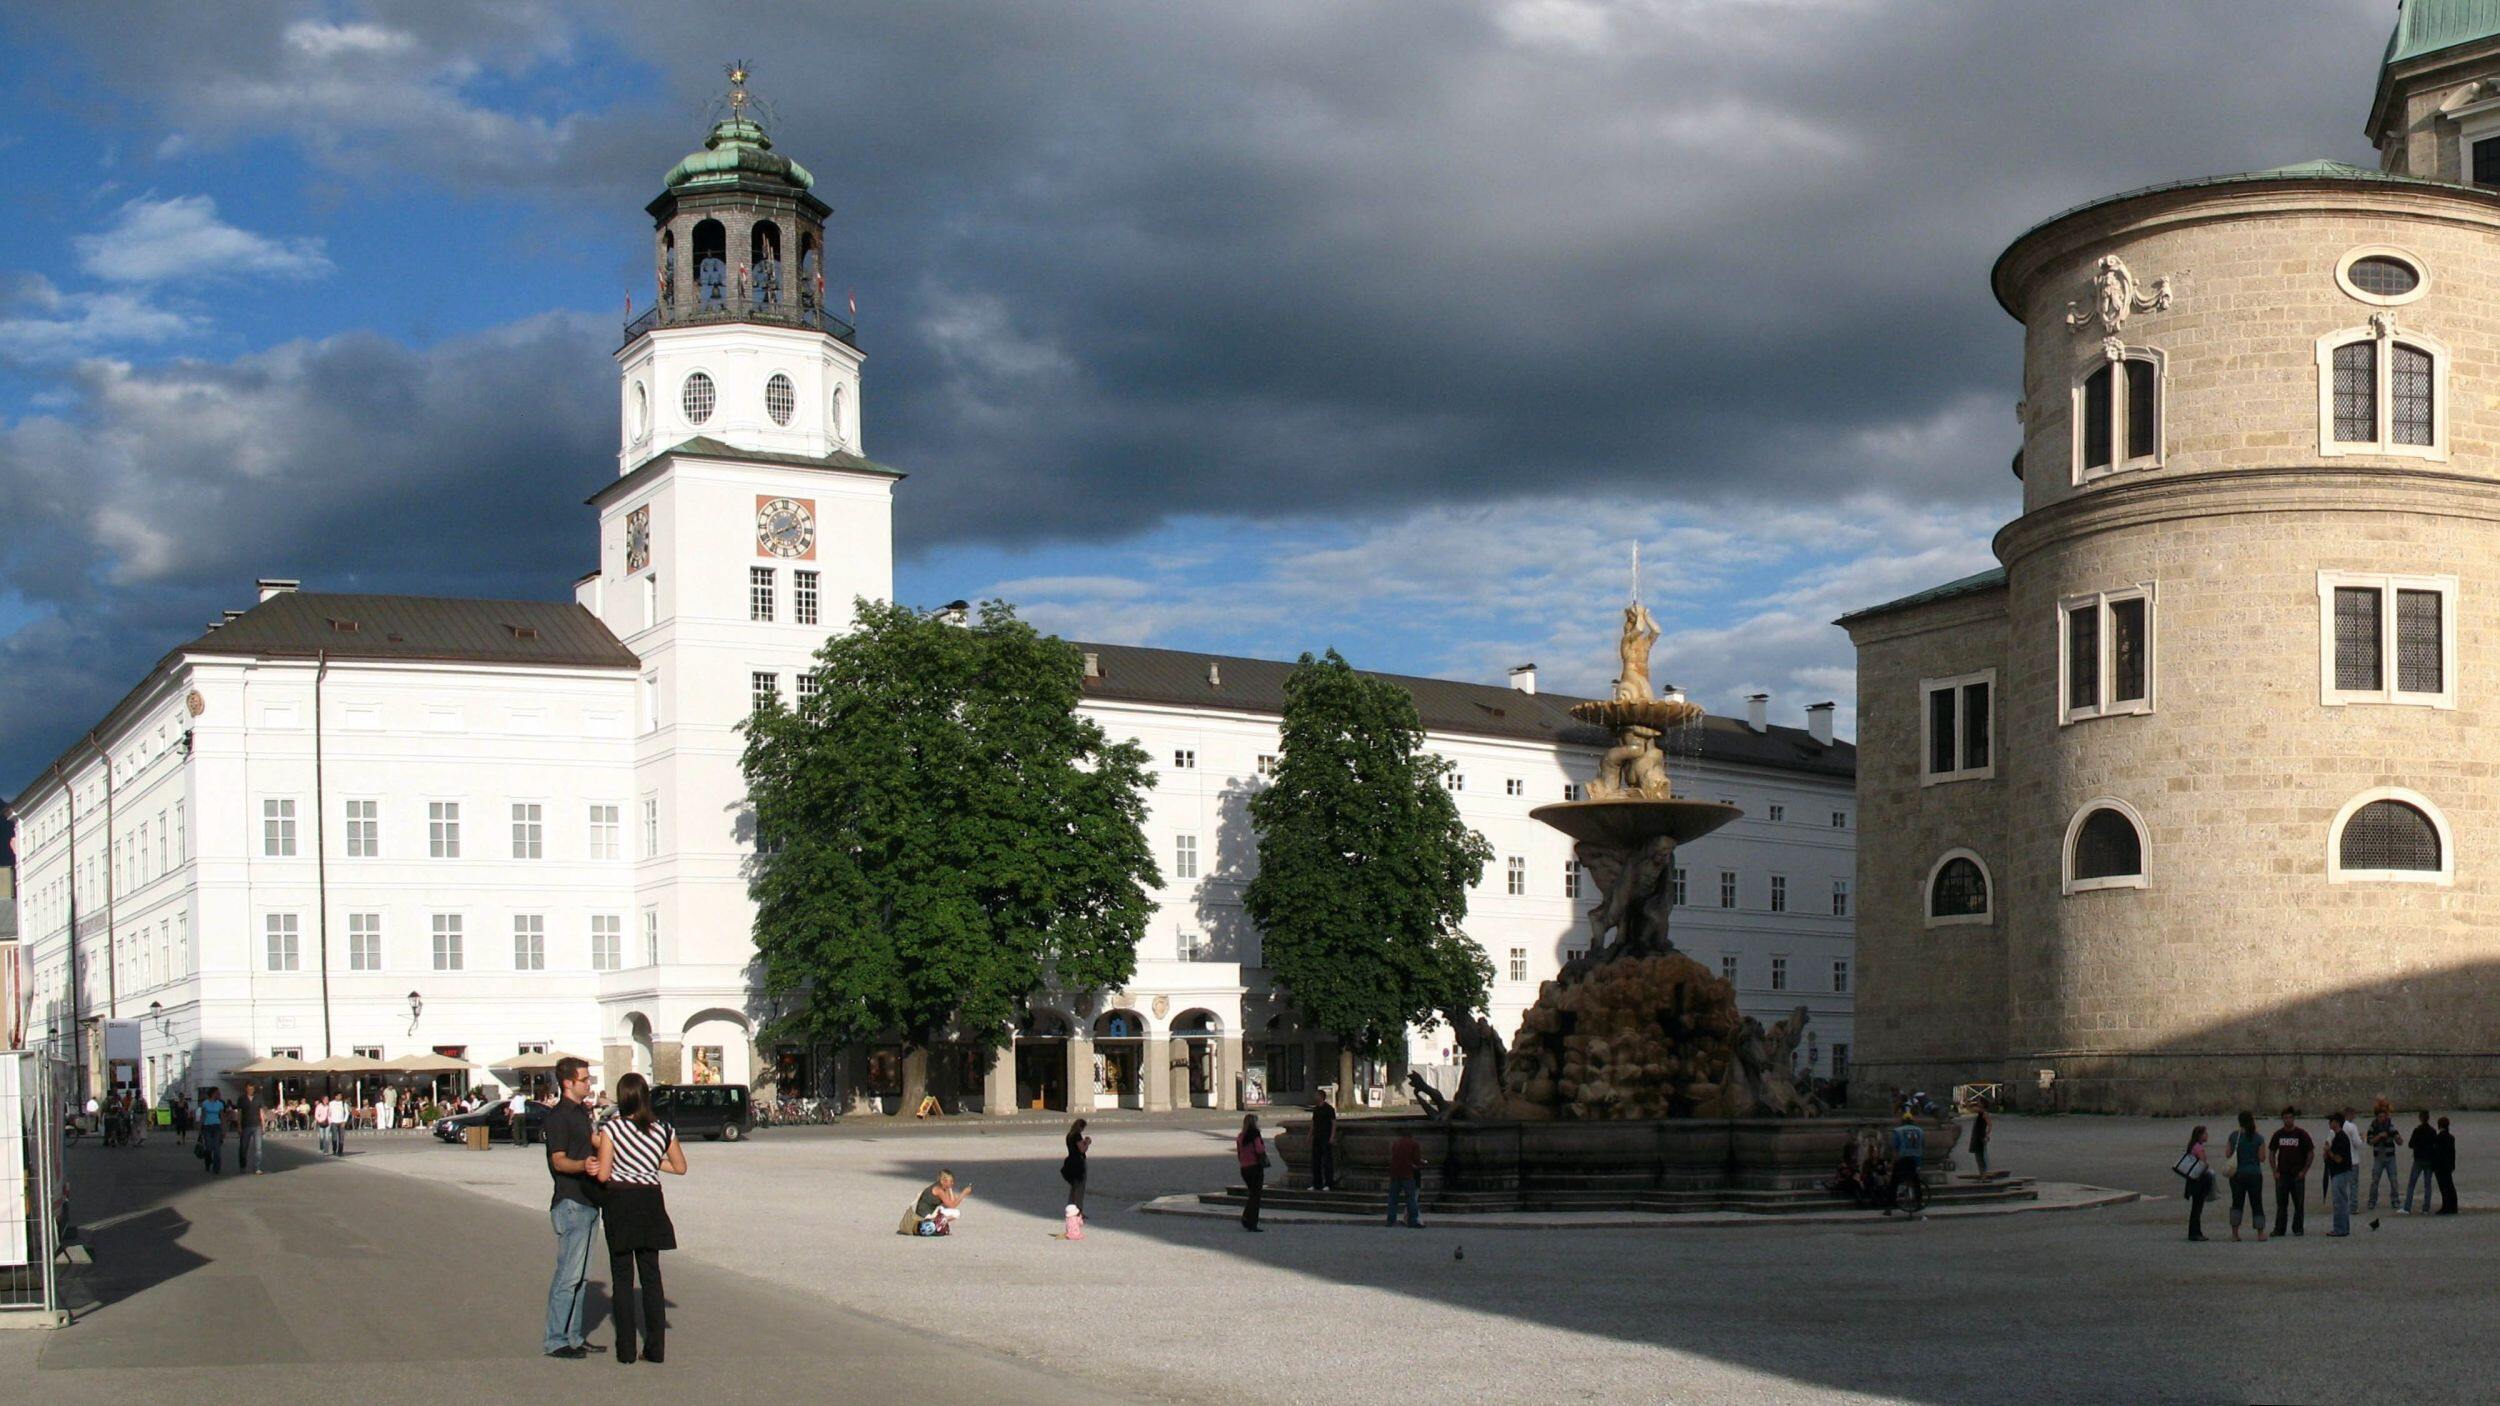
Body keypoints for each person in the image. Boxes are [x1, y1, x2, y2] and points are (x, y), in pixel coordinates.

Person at [592, 1073, 684, 1365]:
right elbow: (680, 1167)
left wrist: (599, 1167)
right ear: (645, 1096)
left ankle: (626, 1350)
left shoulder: (613, 1129)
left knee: (622, 1276)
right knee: (651, 1275)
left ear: (623, 1097)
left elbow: (605, 1174)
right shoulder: (663, 1129)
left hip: (620, 1201)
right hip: (650, 1200)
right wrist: (649, 1161)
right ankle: (656, 1349)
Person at [541, 1056, 606, 1359]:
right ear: (567, 1082)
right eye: (584, 1079)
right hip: (571, 1202)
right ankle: (556, 1340)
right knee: (568, 1275)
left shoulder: (582, 1113)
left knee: (581, 1277)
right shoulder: (559, 1117)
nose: (589, 1082)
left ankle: (574, 1336)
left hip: (590, 1201)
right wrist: (583, 1164)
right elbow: (558, 1160)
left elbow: (594, 1142)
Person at [2266, 1107, 2313, 1237]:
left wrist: (2304, 1171)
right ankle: (2279, 1229)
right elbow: (2271, 1152)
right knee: (2281, 1205)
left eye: (2290, 1117)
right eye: (2285, 1117)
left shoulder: (2301, 1134)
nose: (2288, 1120)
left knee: (2299, 1204)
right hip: (2282, 1175)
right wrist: (2274, 1170)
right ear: (2282, 1119)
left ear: (2293, 1118)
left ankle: (2298, 1228)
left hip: (2297, 1175)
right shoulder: (2278, 1135)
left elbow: (2310, 1153)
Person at [2224, 1111, 2267, 1242]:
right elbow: (2262, 1158)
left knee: (2237, 1203)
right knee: (2257, 1203)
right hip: (2254, 1174)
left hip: (2237, 1175)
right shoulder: (2259, 1138)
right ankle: (2260, 1233)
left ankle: (2235, 1233)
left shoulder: (2233, 1136)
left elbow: (2227, 1153)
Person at [2322, 1109, 2357, 1236]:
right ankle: (2344, 1228)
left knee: (2339, 1202)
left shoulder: (2341, 1137)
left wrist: (2329, 1151)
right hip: (2338, 1172)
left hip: (2340, 1172)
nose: (2329, 1123)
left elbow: (2339, 1159)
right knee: (2342, 1200)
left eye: (2331, 1121)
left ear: (2337, 1123)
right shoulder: (2337, 1137)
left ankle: (2339, 1229)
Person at [1884, 1109, 1925, 1216]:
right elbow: (1922, 1147)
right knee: (1915, 1182)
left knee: (1894, 1183)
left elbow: (1895, 1149)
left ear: (1902, 1121)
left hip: (1902, 1160)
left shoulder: (1898, 1131)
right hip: (1914, 1160)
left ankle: (1889, 1206)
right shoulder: (1920, 1131)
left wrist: (1892, 1163)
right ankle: (1919, 1201)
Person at [904, 1170, 971, 1235]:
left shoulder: (940, 1187)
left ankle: (936, 1224)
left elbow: (951, 1202)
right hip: (926, 1216)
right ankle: (936, 1224)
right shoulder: (938, 1190)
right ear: (942, 1181)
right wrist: (963, 1193)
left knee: (946, 1209)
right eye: (950, 1181)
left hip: (926, 1213)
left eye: (952, 1181)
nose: (952, 1183)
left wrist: (950, 1188)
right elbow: (952, 1205)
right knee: (956, 1213)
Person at [1385, 1127, 1425, 1229]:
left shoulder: (1396, 1144)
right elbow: (1416, 1160)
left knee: (1393, 1198)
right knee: (1410, 1199)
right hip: (1408, 1174)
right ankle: (1412, 1221)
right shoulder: (1414, 1144)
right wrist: (1422, 1163)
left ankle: (1390, 1220)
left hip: (1395, 1174)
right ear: (1411, 1135)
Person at [1236, 1114, 1269, 1232]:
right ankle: (1252, 1222)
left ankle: (1246, 1218)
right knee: (1256, 1196)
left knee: (1252, 1194)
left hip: (1244, 1168)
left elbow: (1239, 1153)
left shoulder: (1240, 1136)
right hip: (1255, 1166)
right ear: (1254, 1123)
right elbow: (1259, 1149)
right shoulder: (1255, 1134)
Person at [2180, 1124, 2213, 1242]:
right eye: (2205, 1133)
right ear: (2199, 1135)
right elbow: (2203, 1164)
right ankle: (2195, 1233)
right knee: (2197, 1207)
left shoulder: (2192, 1146)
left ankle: (2194, 1232)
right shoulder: (2199, 1148)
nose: (2207, 1135)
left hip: (2192, 1180)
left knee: (2195, 1207)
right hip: (2199, 1181)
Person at [2403, 1110, 2436, 1214]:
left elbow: (2410, 1144)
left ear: (2420, 1118)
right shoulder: (2432, 1131)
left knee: (2412, 1184)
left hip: (2418, 1159)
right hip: (2429, 1159)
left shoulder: (2417, 1130)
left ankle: (2407, 1207)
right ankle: (2426, 1208)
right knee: (2428, 1185)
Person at [1308, 1088, 1339, 1192]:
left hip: (1326, 1137)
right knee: (1315, 1161)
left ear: (1321, 1097)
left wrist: (1332, 1136)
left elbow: (1334, 1123)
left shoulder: (1329, 1109)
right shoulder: (1316, 1109)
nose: (1314, 1097)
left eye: (1316, 1095)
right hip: (1317, 1137)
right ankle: (1317, 1183)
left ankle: (1328, 1184)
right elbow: (1313, 1123)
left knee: (1327, 1161)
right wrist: (1309, 1135)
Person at [1060, 1119, 1091, 1215]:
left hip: (1070, 1162)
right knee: (1080, 1188)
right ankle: (1078, 1210)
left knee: (1074, 1187)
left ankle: (1070, 1209)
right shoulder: (1077, 1135)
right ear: (1080, 1127)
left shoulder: (1069, 1135)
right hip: (1078, 1163)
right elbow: (1082, 1149)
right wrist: (1087, 1142)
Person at [197, 1086, 226, 1174]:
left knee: (217, 1149)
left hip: (217, 1126)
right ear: (213, 1094)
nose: (220, 1095)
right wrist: (199, 1127)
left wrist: (224, 1130)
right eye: (218, 1093)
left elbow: (222, 1117)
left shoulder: (220, 1104)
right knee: (208, 1147)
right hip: (207, 1127)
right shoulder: (205, 1103)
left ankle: (216, 1167)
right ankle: (208, 1161)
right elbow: (203, 1116)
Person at [232, 1086, 260, 1176]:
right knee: (244, 1147)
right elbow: (239, 1113)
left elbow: (261, 1111)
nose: (251, 1090)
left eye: (252, 1089)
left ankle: (257, 1167)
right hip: (246, 1125)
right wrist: (239, 1126)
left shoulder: (257, 1098)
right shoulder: (242, 1099)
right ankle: (243, 1166)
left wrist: (263, 1123)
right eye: (249, 1088)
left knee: (258, 1148)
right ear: (246, 1089)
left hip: (257, 1125)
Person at [2434, 1116, 2459, 1215]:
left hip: (2440, 1166)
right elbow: (2452, 1153)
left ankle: (2446, 1206)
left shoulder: (2438, 1138)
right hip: (2448, 1165)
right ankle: (2453, 1206)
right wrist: (2452, 1165)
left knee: (2444, 1188)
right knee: (2450, 1186)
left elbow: (2436, 1153)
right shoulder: (2451, 1138)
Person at [1968, 1098, 1992, 1178]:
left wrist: (1987, 1135)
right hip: (1977, 1135)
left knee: (1980, 1156)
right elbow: (1970, 1108)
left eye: (1979, 1102)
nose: (1977, 1103)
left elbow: (1990, 1125)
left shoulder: (1984, 1113)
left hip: (1981, 1136)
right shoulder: (1980, 1112)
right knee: (1978, 1156)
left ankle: (1983, 1174)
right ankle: (1982, 1174)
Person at [328, 1093, 350, 1157]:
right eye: (339, 1095)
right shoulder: (331, 1103)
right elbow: (329, 1112)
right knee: (334, 1137)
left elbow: (347, 1113)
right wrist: (331, 1121)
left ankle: (340, 1151)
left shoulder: (343, 1103)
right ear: (335, 1096)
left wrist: (344, 1121)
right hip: (334, 1122)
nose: (340, 1097)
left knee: (341, 1138)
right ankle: (334, 1150)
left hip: (341, 1122)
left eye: (341, 1096)